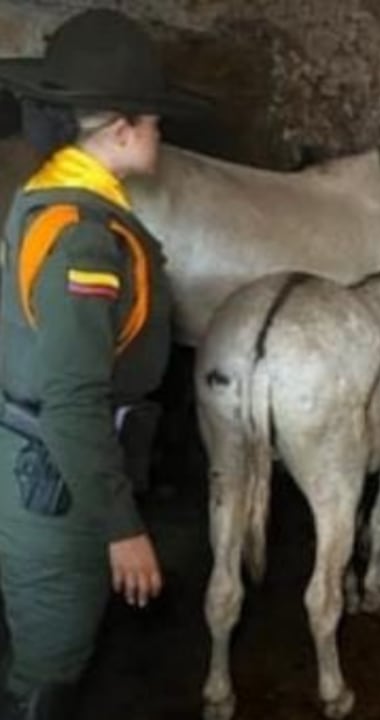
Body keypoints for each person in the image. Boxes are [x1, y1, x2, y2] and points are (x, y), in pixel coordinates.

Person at [0, 9, 208, 719]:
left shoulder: (48, 198)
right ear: (119, 129)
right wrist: (123, 527)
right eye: (153, 121)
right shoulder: (87, 241)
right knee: (49, 669)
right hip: (57, 483)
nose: (158, 133)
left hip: (40, 464)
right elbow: (71, 399)